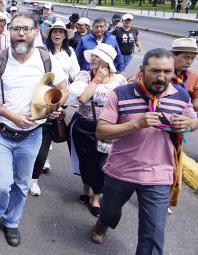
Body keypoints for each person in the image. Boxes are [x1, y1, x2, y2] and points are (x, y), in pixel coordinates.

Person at [92, 48, 198, 254]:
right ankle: (103, 223)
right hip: (120, 172)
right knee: (109, 211)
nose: (162, 77)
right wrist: (135, 124)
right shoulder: (121, 94)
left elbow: (193, 119)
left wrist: (190, 123)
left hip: (158, 176)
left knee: (153, 234)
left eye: (167, 72)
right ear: (142, 70)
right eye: (155, 71)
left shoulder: (181, 95)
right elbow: (102, 132)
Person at [0, 12, 68, 247]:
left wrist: (55, 105)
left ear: (36, 32)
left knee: (21, 184)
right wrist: (12, 116)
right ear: (9, 31)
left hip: (32, 135)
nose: (21, 33)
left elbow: (63, 89)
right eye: (16, 28)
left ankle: (11, 222)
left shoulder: (46, 59)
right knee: (0, 182)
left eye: (26, 29)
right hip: (0, 131)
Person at [68, 43, 127, 216]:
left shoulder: (119, 80)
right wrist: (97, 79)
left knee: (101, 164)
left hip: (107, 128)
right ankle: (86, 188)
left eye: (97, 56)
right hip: (83, 125)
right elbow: (83, 97)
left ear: (107, 61)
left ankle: (96, 196)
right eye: (92, 55)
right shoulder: (84, 76)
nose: (92, 58)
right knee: (85, 161)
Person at [29, 20, 80, 196]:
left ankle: (34, 178)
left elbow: (75, 74)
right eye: (54, 32)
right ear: (49, 35)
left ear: (65, 35)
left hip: (59, 100)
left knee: (46, 139)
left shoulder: (70, 53)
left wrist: (74, 91)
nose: (57, 35)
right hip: (37, 99)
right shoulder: (42, 52)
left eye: (61, 32)